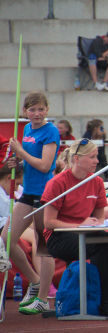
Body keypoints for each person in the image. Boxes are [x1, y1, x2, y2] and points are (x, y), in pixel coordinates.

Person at [42, 139, 108, 316]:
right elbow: (49, 222)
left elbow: (99, 217)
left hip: (85, 232)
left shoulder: (96, 182)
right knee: (99, 246)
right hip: (58, 237)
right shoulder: (58, 183)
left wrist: (96, 223)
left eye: (96, 156)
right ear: (76, 159)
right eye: (92, 157)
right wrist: (79, 225)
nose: (97, 161)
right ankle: (106, 302)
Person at [0, 91, 60, 314]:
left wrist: (21, 152)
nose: (36, 113)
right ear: (25, 111)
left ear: (47, 110)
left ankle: (43, 298)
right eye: (32, 109)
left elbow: (45, 165)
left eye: (40, 109)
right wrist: (17, 161)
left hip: (45, 195)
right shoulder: (26, 129)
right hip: (28, 193)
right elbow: (29, 162)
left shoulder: (51, 131)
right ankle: (34, 280)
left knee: (42, 246)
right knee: (6, 240)